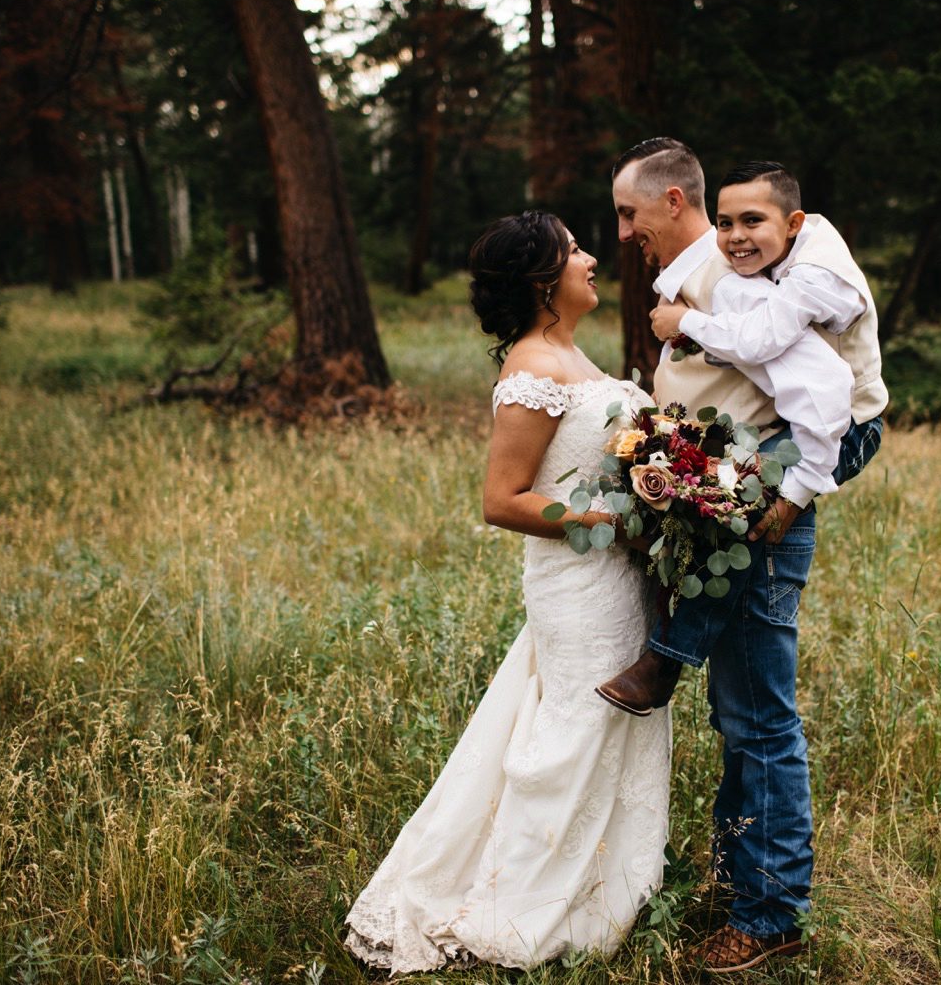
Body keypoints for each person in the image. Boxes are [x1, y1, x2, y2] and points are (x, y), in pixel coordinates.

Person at [343, 211, 671, 973]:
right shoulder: (532, 368)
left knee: (610, 726)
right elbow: (503, 500)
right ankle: (520, 903)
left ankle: (607, 884)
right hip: (579, 584)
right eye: (575, 250)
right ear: (541, 281)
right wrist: (612, 522)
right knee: (572, 731)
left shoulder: (569, 354)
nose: (592, 257)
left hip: (618, 581)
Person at [600, 138, 885, 974]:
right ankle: (740, 884)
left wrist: (796, 488)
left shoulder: (733, 282)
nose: (623, 233)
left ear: (672, 204)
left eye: (630, 213)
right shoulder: (710, 273)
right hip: (741, 481)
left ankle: (769, 916)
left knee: (758, 715)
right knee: (742, 712)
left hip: (790, 469)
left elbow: (823, 394)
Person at [650, 160, 886, 493]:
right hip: (811, 416)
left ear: (793, 224)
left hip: (854, 424)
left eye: (752, 221)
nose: (736, 237)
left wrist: (685, 321)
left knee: (738, 490)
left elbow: (758, 340)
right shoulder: (775, 252)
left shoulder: (814, 275)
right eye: (724, 223)